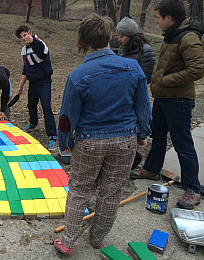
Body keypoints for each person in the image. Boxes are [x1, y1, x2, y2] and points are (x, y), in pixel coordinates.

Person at [54, 14, 152, 255]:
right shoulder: (133, 67)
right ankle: (97, 238)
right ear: (111, 36)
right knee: (111, 191)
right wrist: (142, 132)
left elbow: (67, 115)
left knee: (79, 190)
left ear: (83, 40)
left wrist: (64, 142)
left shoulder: (78, 75)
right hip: (125, 140)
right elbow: (143, 106)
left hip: (89, 142)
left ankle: (67, 241)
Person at [130, 0, 204, 210]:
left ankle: (192, 188)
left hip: (179, 99)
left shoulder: (188, 38)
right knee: (158, 135)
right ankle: (152, 168)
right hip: (163, 98)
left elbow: (196, 71)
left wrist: (163, 81)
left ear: (169, 18)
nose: (156, 21)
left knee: (182, 142)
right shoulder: (172, 35)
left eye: (158, 17)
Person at [116, 16, 156, 169]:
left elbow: (145, 77)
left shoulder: (146, 51)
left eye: (122, 36)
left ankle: (133, 157)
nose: (119, 39)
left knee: (134, 125)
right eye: (118, 35)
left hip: (134, 95)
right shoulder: (122, 48)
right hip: (121, 94)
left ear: (131, 35)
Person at [15, 25, 57, 151]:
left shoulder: (40, 43)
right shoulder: (23, 50)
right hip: (32, 82)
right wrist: (20, 86)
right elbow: (25, 70)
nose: (23, 38)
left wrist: (33, 42)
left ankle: (53, 137)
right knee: (31, 105)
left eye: (25, 35)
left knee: (46, 107)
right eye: (21, 37)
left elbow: (43, 55)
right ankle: (33, 124)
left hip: (44, 82)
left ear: (30, 32)